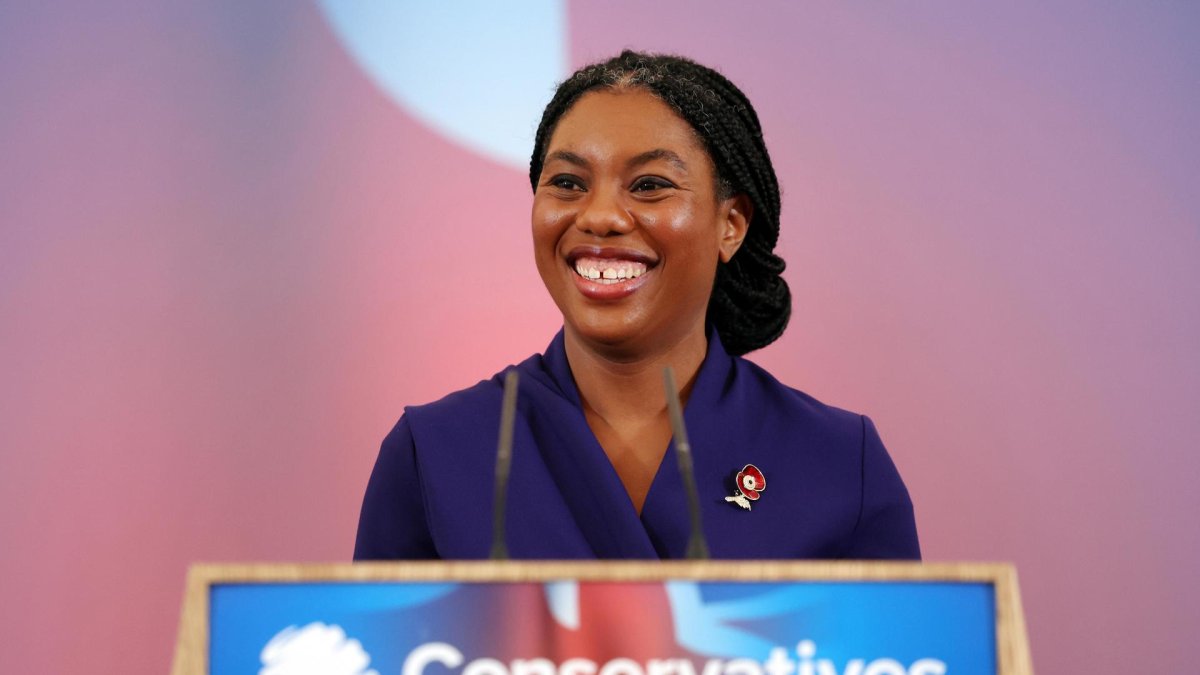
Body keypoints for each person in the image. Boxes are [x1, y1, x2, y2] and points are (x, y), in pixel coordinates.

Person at [354, 51, 919, 560]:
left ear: (731, 224)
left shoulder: (841, 460)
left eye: (649, 185)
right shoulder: (433, 451)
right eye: (568, 183)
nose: (599, 216)